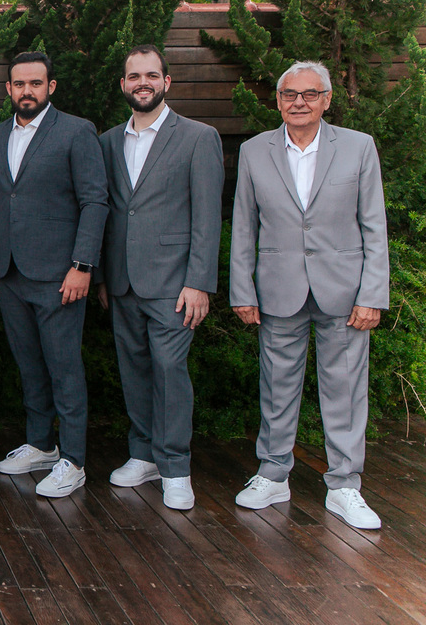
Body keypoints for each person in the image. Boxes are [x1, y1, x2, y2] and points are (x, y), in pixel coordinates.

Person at [230, 60, 388, 530]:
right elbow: (244, 226)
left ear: (326, 100)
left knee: (345, 390)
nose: (299, 102)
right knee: (276, 387)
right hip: (278, 289)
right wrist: (242, 289)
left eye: (309, 94)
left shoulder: (358, 147)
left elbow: (374, 225)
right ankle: (273, 473)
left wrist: (372, 294)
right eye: (289, 94)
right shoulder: (254, 151)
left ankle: (344, 485)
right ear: (278, 101)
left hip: (345, 291)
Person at [0, 51, 108, 498]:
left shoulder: (76, 131)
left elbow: (95, 201)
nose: (27, 91)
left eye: (35, 83)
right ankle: (41, 444)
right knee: (29, 364)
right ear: (8, 89)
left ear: (50, 87)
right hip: (10, 272)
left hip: (60, 274)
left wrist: (82, 265)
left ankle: (73, 460)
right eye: (19, 84)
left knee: (64, 367)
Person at [95, 45, 224, 510]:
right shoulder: (108, 141)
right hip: (122, 280)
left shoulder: (198, 137)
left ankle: (174, 467)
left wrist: (200, 281)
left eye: (151, 75)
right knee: (133, 369)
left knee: (169, 370)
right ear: (123, 85)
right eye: (134, 76)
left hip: (175, 283)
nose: (142, 83)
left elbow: (207, 216)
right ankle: (143, 454)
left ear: (167, 82)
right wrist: (103, 276)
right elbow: (108, 212)